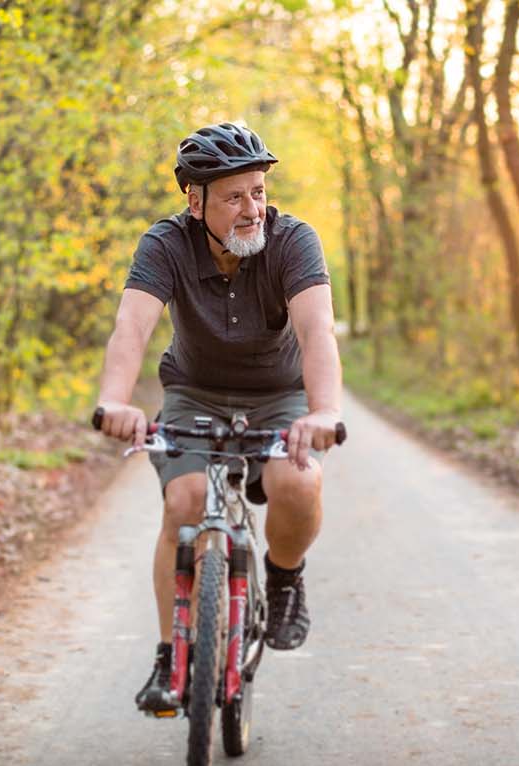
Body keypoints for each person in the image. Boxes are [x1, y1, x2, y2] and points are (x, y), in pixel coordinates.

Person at [93, 122, 344, 712]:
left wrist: (325, 410)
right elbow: (132, 326)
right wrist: (115, 400)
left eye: (257, 191)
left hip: (278, 395)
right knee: (182, 506)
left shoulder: (293, 241)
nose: (251, 208)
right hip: (196, 394)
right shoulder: (165, 245)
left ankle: (283, 577)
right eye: (234, 196)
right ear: (195, 200)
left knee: (299, 484)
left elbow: (317, 331)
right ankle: (169, 656)